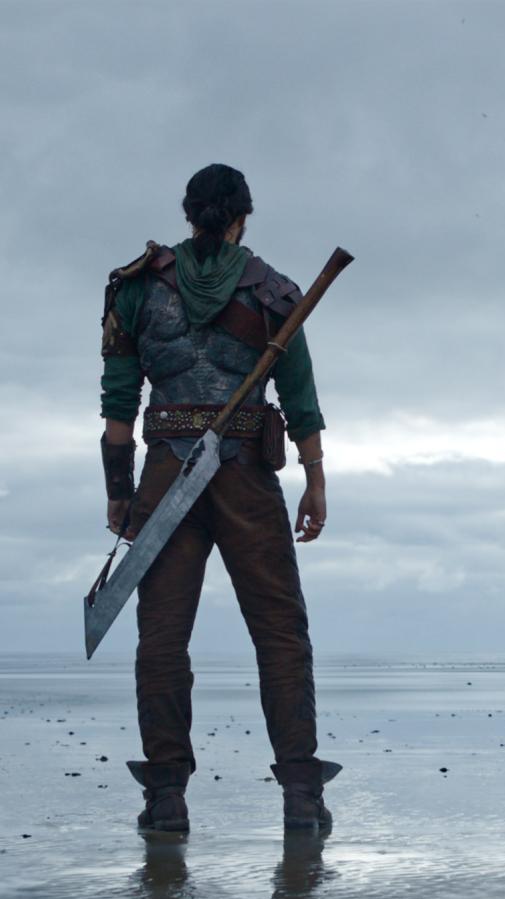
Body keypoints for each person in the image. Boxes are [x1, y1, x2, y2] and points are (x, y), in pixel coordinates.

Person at [98, 163, 340, 835]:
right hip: (244, 476)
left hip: (164, 473)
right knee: (279, 632)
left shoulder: (136, 290)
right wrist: (315, 478)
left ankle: (165, 797)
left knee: (162, 636)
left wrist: (119, 493)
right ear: (242, 218)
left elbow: (119, 410)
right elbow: (300, 401)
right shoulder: (274, 291)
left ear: (187, 213)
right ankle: (300, 792)